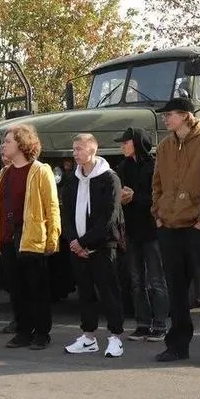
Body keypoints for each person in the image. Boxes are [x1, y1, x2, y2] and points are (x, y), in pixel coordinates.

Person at [152, 97, 200, 367]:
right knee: (176, 291)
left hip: (198, 229)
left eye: (169, 114)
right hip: (170, 228)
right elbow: (157, 185)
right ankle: (177, 347)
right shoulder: (164, 146)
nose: (165, 118)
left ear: (185, 115)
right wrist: (158, 215)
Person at [0, 124, 61, 350]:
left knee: (37, 289)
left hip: (32, 239)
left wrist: (53, 237)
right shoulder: (4, 173)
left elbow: (52, 206)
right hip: (9, 239)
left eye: (8, 141)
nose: (4, 145)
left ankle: (42, 333)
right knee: (16, 289)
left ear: (22, 145)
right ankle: (23, 331)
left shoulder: (40, 170)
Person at [60, 134, 125, 358]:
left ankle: (116, 337)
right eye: (74, 148)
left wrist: (85, 242)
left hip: (103, 246)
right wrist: (73, 242)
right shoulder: (72, 179)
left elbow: (109, 218)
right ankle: (88, 337)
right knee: (85, 292)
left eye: (79, 148)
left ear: (93, 150)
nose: (75, 152)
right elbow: (65, 214)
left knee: (108, 291)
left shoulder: (109, 178)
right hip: (78, 248)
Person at [114, 127, 169, 342]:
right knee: (136, 280)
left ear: (136, 143)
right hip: (132, 232)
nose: (122, 146)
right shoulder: (121, 168)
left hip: (153, 231)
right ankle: (142, 323)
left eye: (125, 142)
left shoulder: (154, 166)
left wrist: (135, 196)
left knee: (156, 280)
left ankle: (161, 324)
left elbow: (160, 198)